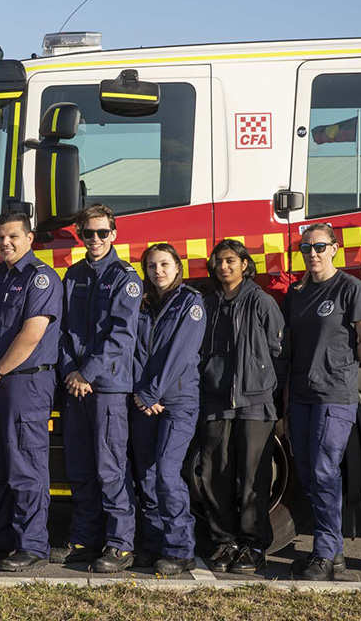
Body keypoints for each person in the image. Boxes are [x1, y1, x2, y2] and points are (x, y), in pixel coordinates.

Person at [282, 224, 361, 581]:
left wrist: (339, 362)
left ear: (334, 249)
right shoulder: (296, 293)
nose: (313, 253)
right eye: (306, 248)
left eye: (320, 246)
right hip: (302, 395)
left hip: (333, 395)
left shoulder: (349, 288)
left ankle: (324, 553)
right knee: (308, 475)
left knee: (325, 472)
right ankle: (333, 551)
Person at [52, 204, 141, 573]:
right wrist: (73, 372)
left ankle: (120, 544)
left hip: (106, 387)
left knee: (110, 466)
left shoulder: (125, 278)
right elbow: (62, 329)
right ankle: (85, 538)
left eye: (102, 233)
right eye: (88, 233)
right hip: (77, 385)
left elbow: (121, 334)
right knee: (79, 466)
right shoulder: (72, 274)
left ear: (114, 234)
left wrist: (86, 373)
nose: (95, 240)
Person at [0, 210, 63, 572]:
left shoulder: (41, 279)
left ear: (29, 239)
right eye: (0, 238)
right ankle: (1, 539)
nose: (5, 243)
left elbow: (32, 334)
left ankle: (32, 545)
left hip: (26, 383)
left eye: (13, 236)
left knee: (26, 465)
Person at [195, 238, 284, 574]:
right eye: (219, 261)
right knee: (214, 473)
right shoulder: (207, 304)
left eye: (231, 260)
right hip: (216, 400)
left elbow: (280, 352)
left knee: (252, 478)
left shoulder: (261, 301)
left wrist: (268, 389)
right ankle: (224, 542)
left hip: (255, 401)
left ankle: (252, 546)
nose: (224, 267)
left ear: (245, 264)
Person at [129, 243, 206, 576]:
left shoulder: (191, 303)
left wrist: (150, 392)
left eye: (164, 264)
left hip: (176, 402)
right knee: (144, 475)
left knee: (166, 472)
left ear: (178, 267)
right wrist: (141, 392)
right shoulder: (142, 304)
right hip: (145, 401)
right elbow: (131, 349)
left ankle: (180, 550)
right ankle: (154, 544)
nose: (157, 271)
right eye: (151, 266)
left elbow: (181, 353)